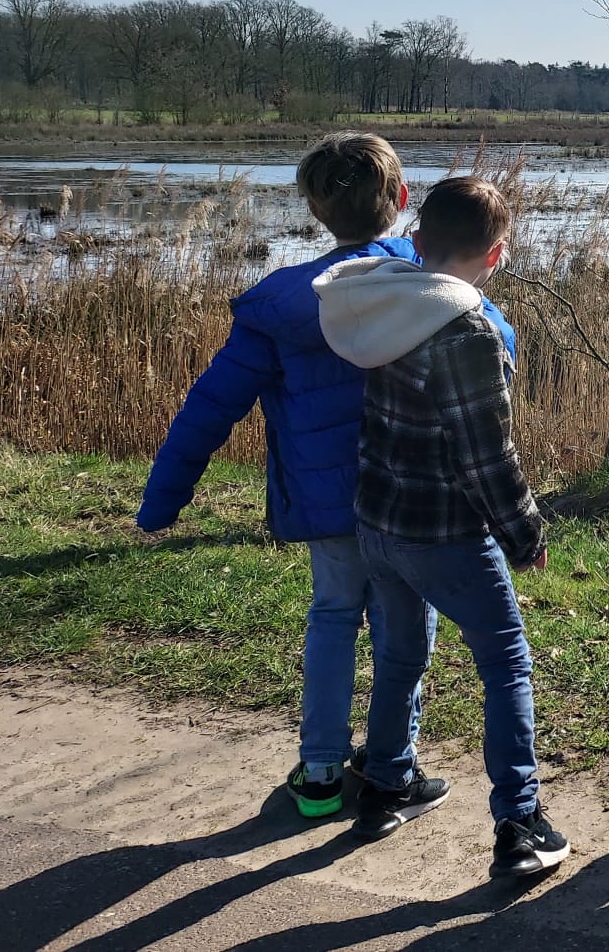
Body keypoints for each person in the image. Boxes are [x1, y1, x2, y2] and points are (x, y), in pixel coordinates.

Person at [136, 132, 510, 819]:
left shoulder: (280, 305)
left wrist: (163, 500)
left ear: (315, 208)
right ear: (401, 202)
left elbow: (209, 407)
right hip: (407, 502)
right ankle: (393, 763)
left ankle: (318, 771)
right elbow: (499, 346)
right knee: (406, 633)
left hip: (327, 502)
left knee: (334, 617)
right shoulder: (428, 282)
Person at [314, 175, 567, 880]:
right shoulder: (469, 330)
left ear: (416, 242)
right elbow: (486, 457)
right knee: (506, 661)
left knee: (398, 656)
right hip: (447, 533)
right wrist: (526, 535)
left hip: (378, 524)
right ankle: (520, 822)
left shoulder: (384, 303)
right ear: (497, 256)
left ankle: (389, 784)